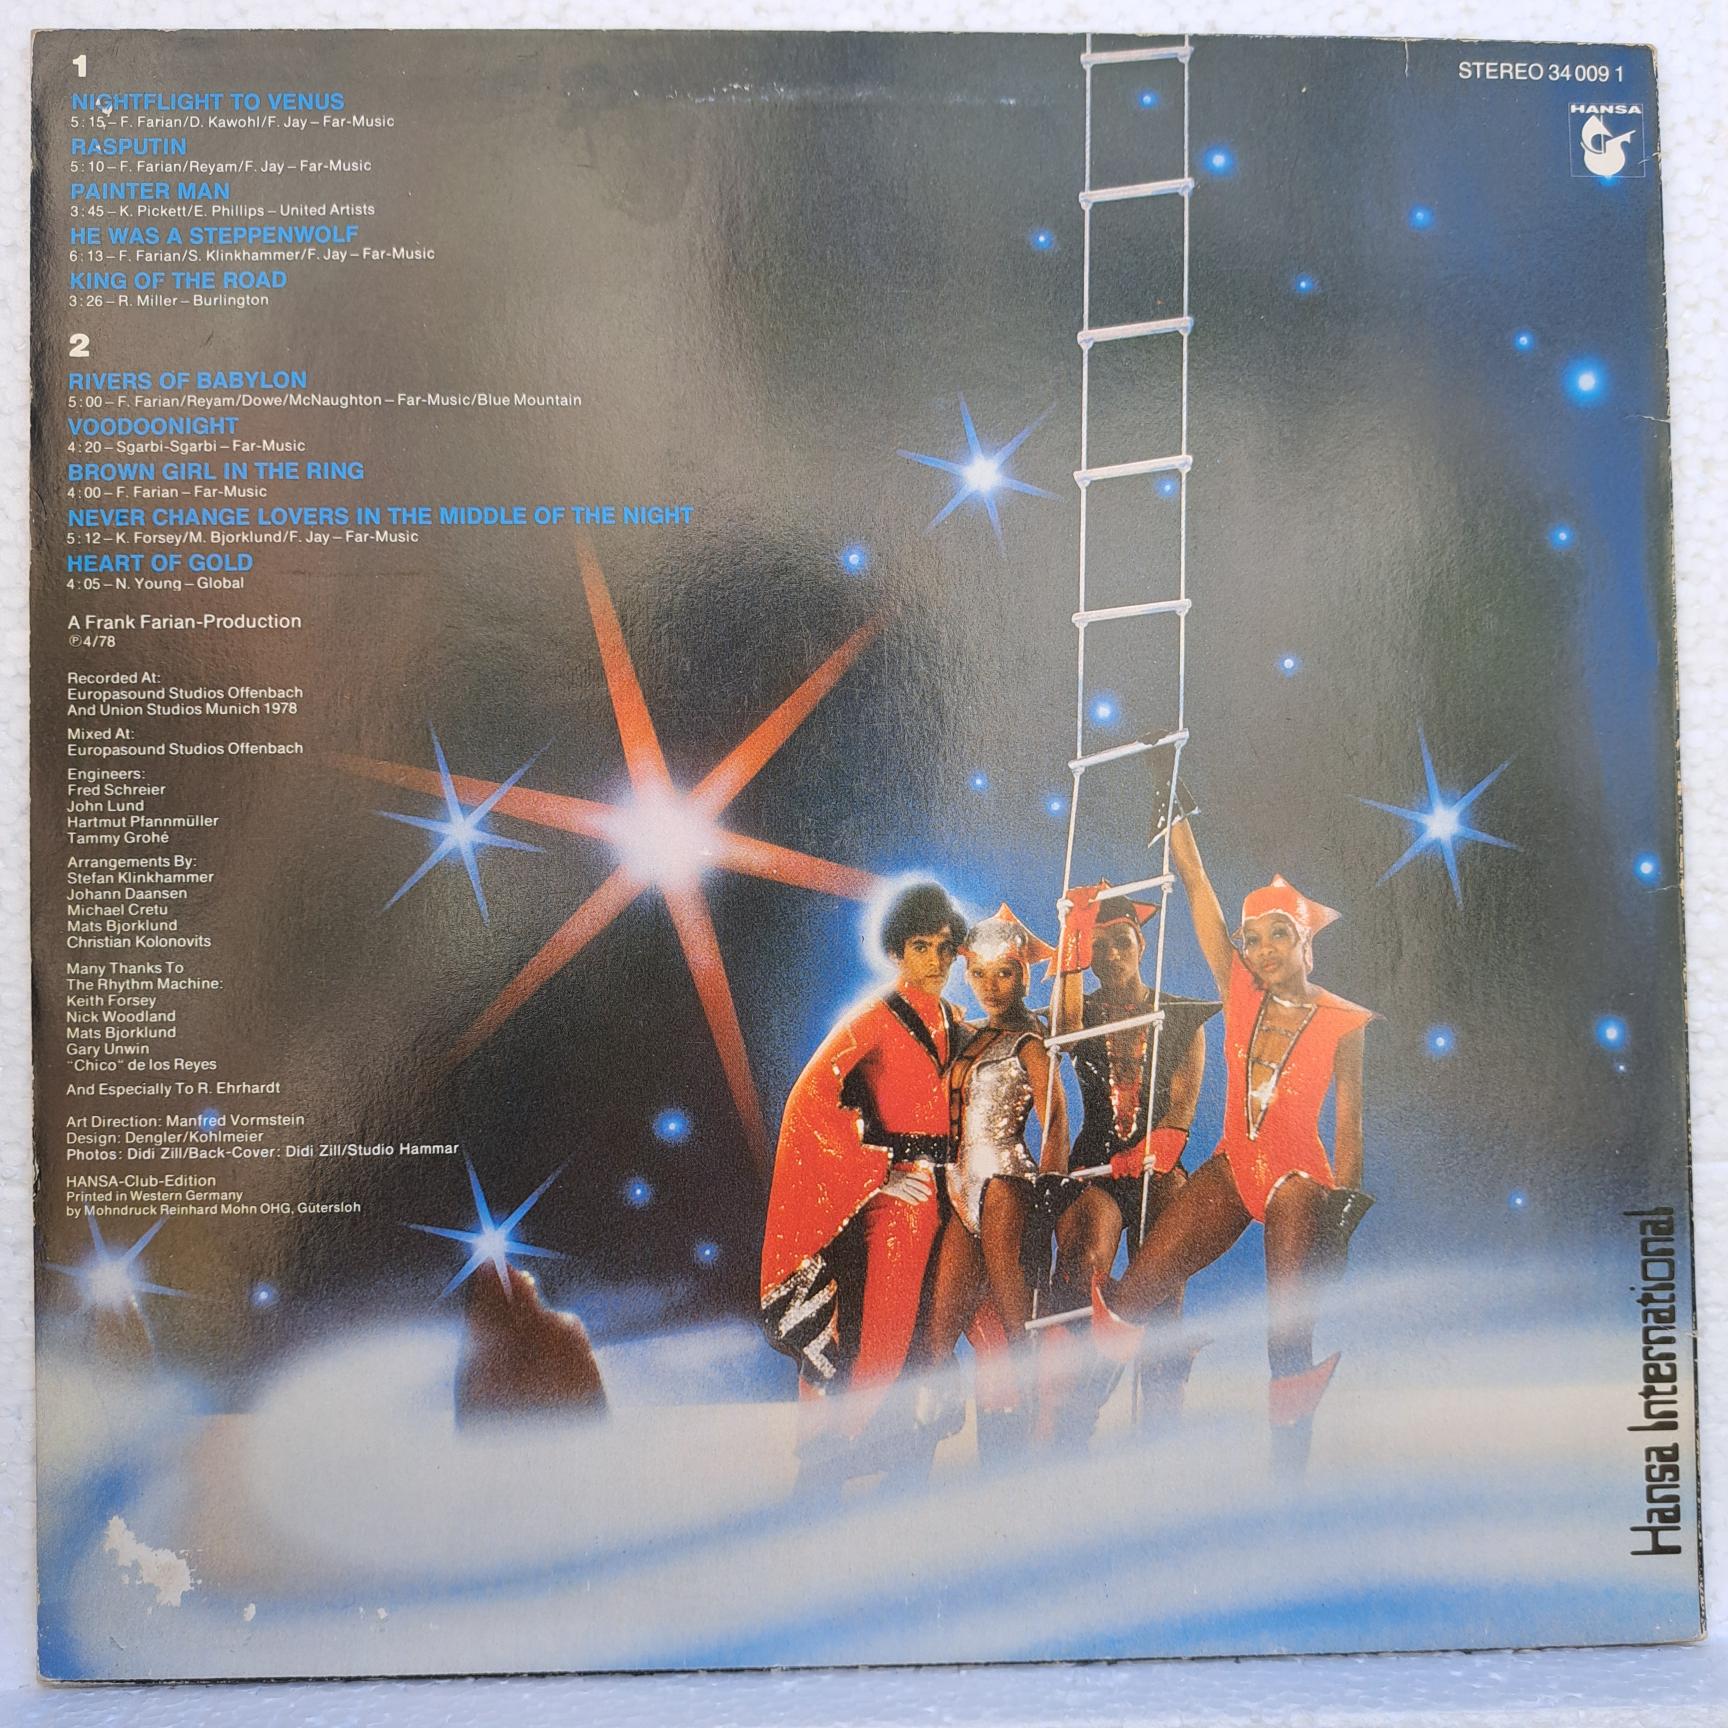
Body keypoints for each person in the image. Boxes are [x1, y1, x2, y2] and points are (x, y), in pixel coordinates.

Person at [1091, 816, 1373, 1471]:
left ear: (1305, 943)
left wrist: (1341, 1219)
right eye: (1253, 939)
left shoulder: (1344, 1020)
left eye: (1280, 934)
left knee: (1286, 1343)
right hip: (1233, 1168)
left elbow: (1350, 1124)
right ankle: (1079, 1426)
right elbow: (1197, 884)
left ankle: (1287, 1481)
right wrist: (1176, 820)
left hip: (1299, 1183)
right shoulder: (1238, 989)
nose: (1264, 949)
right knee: (1128, 1301)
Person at [759, 881, 968, 1471]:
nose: (935, 960)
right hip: (903, 1196)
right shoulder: (873, 1018)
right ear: (898, 951)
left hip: (953, 1191)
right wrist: (877, 1169)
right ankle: (837, 1445)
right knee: (885, 1328)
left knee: (948, 1325)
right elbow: (807, 1100)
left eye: (946, 948)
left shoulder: (956, 1018)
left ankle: (910, 1447)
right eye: (921, 947)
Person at [1039, 883, 1217, 1434]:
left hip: (1156, 1164)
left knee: (1164, 1252)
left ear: (1141, 944)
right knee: (1084, 1259)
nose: (1112, 955)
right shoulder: (1083, 1011)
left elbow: (1180, 1116)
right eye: (1099, 946)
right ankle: (1077, 1407)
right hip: (1095, 1166)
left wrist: (1151, 1154)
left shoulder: (1180, 1016)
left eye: (1121, 942)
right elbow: (1063, 1035)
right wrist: (1072, 937)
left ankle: (1161, 1407)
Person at [921, 905, 1067, 1443]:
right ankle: (943, 1409)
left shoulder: (1030, 1042)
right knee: (940, 1328)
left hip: (1007, 1183)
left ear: (1022, 975)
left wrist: (1051, 1188)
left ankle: (1038, 1410)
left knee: (1013, 1306)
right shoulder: (963, 1034)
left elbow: (1056, 1118)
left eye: (1003, 973)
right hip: (959, 1189)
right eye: (979, 973)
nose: (990, 985)